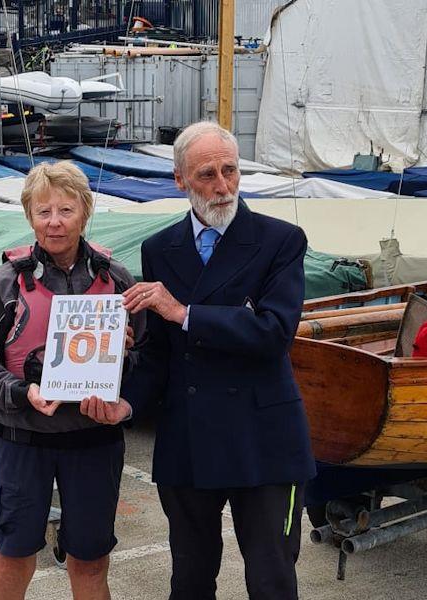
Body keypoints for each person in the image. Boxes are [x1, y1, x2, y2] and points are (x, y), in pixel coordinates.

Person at [81, 121, 316, 599]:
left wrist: (184, 312)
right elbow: (160, 354)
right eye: (207, 174)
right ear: (180, 180)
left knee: (272, 579)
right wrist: (126, 404)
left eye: (230, 171)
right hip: (189, 439)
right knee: (189, 578)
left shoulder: (281, 240)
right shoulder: (160, 249)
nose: (223, 185)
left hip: (264, 441)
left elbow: (273, 333)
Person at [0, 161, 142, 600]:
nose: (54, 222)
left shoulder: (116, 282)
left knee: (92, 562)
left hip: (93, 441)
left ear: (85, 212)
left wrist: (125, 358)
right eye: (43, 212)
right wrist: (23, 392)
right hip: (21, 440)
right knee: (13, 559)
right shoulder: (7, 282)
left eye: (66, 210)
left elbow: (147, 363)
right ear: (29, 217)